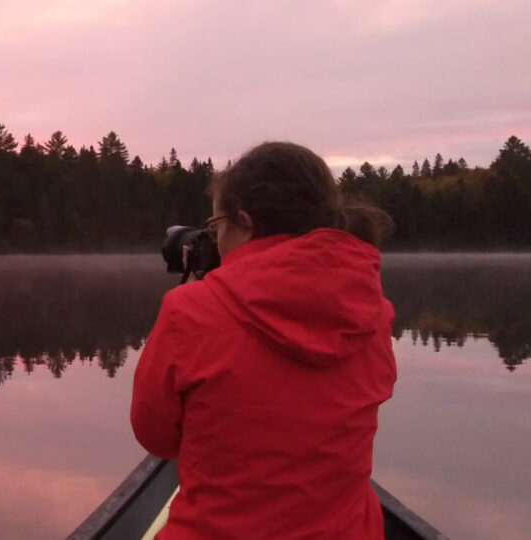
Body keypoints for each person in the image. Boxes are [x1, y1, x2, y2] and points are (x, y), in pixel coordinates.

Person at [130, 141, 397, 539]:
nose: (214, 239)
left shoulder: (190, 311)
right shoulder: (372, 312)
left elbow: (157, 437)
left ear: (244, 222)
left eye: (216, 226)